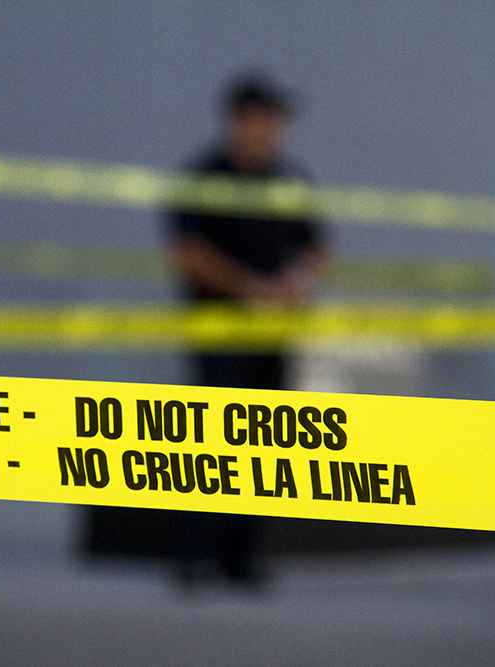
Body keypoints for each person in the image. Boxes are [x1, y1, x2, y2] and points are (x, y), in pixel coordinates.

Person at [166, 72, 328, 587]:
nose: (278, 129)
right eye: (269, 118)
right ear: (240, 120)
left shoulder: (289, 181)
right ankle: (194, 559)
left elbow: (318, 247)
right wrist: (252, 289)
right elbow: (188, 255)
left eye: (281, 120)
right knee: (208, 442)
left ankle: (240, 558)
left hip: (271, 337)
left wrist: (294, 285)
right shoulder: (204, 177)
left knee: (263, 442)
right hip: (218, 334)